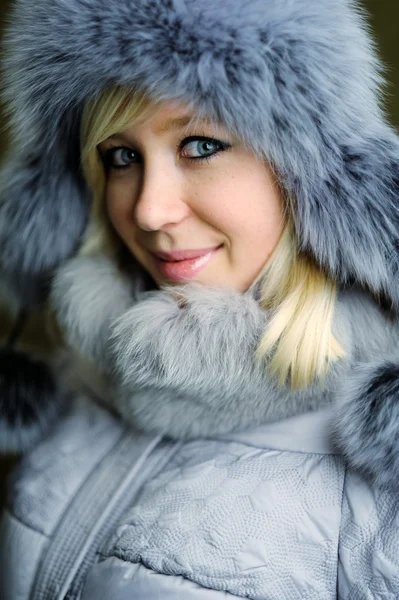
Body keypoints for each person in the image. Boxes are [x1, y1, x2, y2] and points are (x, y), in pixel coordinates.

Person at [1, 0, 399, 597]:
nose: (148, 209)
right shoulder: (80, 380)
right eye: (122, 157)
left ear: (315, 176)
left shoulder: (379, 466)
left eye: (202, 145)